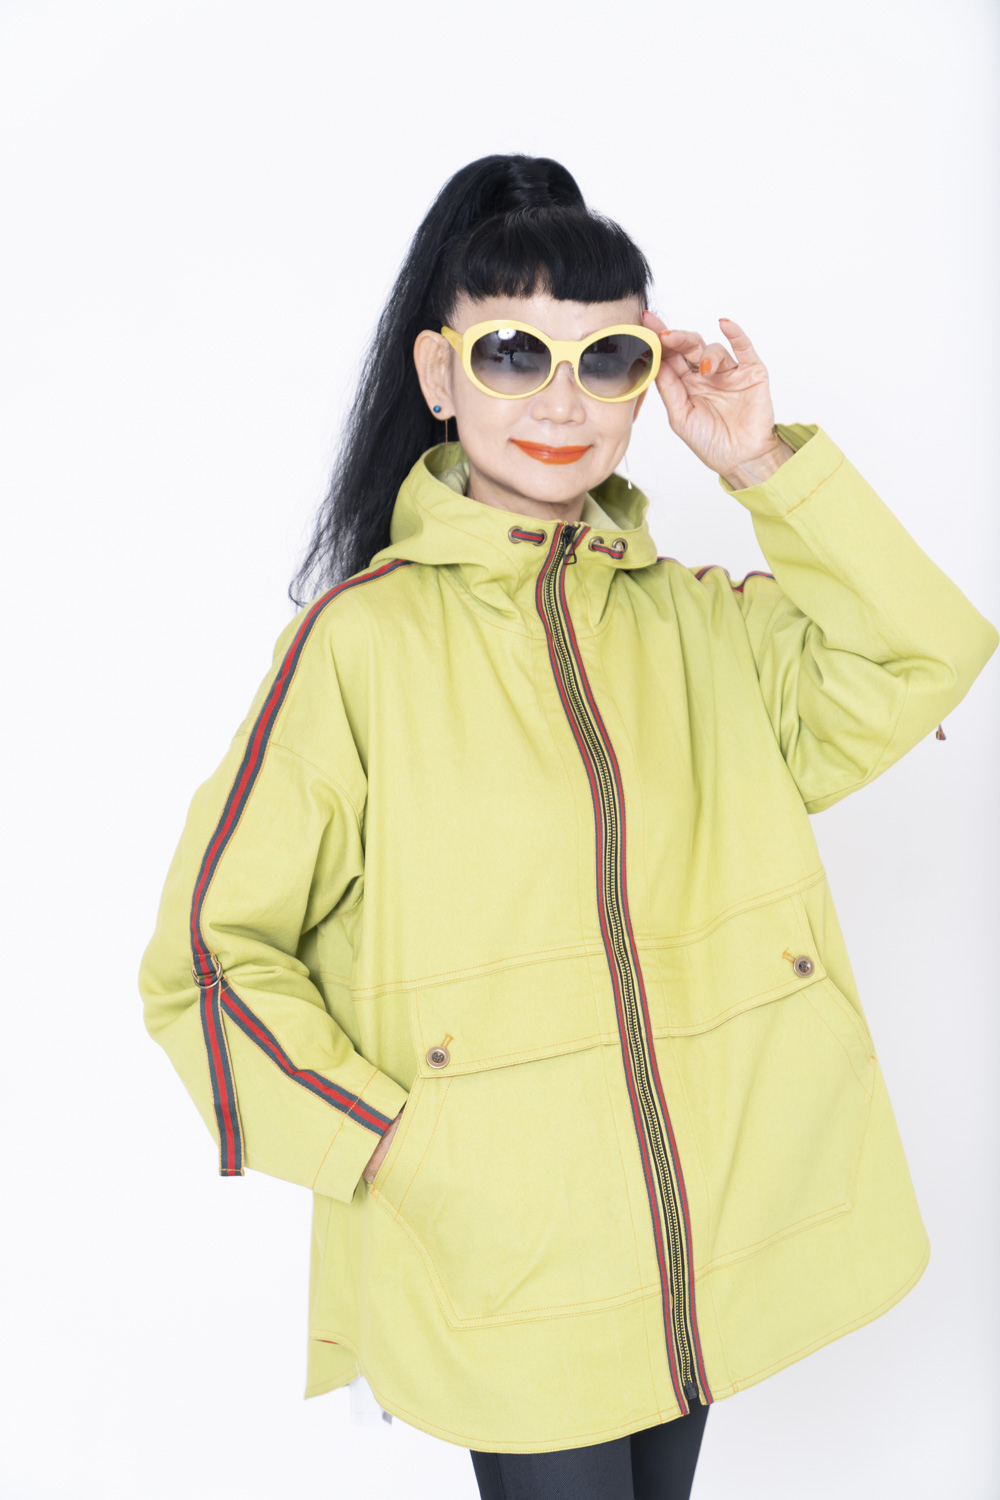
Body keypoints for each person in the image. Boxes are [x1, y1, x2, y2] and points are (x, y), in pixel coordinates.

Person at [137, 153, 998, 1498]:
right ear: (439, 374)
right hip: (509, 1258)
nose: (561, 401)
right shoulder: (359, 647)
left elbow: (923, 654)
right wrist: (393, 1148)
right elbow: (207, 959)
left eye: (609, 361)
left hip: (696, 1237)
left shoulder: (704, 625)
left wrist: (762, 462)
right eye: (513, 353)